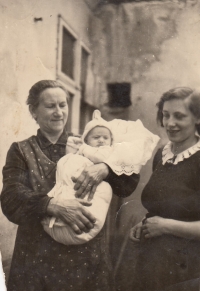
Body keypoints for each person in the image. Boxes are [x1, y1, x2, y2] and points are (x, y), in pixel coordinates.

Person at [1, 80, 140, 291]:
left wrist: (105, 168)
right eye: (50, 106)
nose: (58, 112)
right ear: (33, 111)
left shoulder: (88, 143)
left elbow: (129, 182)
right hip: (37, 263)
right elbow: (11, 198)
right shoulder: (22, 150)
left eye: (63, 105)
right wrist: (53, 205)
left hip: (86, 262)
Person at [42, 110, 159, 246]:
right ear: (86, 140)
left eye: (105, 138)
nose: (101, 140)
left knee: (101, 194)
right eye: (96, 137)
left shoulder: (112, 154)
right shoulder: (78, 148)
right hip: (64, 202)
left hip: (92, 207)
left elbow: (128, 182)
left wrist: (107, 167)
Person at [130, 87, 200, 291]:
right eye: (166, 115)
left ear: (197, 118)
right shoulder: (162, 154)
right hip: (152, 260)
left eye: (179, 116)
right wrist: (145, 224)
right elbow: (164, 205)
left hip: (189, 266)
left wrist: (166, 226)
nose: (170, 123)